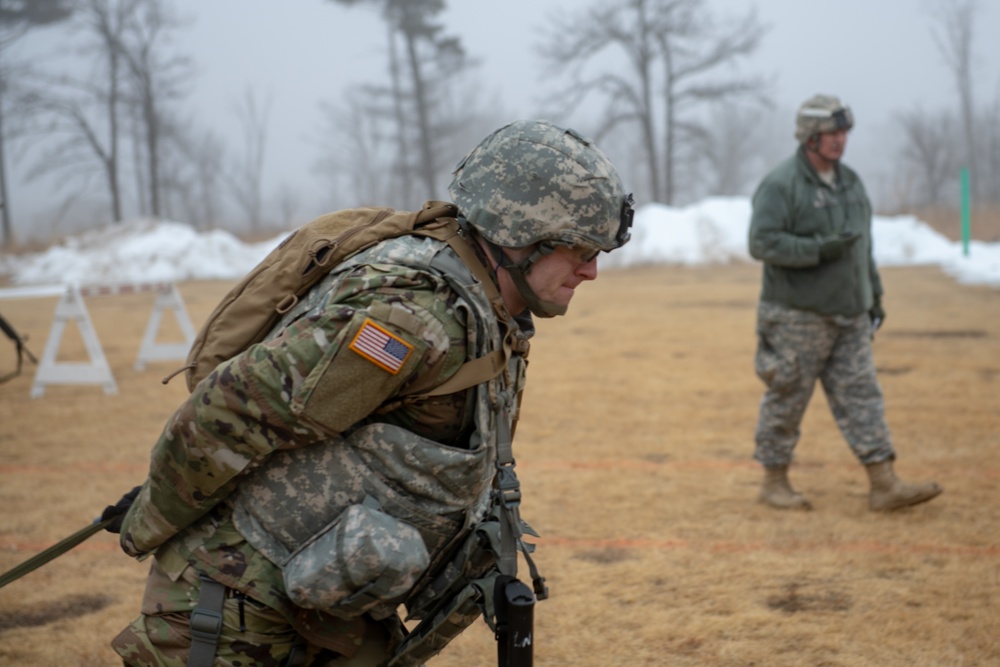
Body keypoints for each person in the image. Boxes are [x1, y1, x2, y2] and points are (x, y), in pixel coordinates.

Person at [103, 119, 634, 666]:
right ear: (519, 235)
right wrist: (151, 519)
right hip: (241, 600)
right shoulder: (415, 317)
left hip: (328, 602)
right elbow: (230, 410)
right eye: (579, 250)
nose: (591, 271)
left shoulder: (483, 304)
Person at [747, 94, 942, 512]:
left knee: (863, 396)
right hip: (796, 315)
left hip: (850, 312)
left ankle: (884, 484)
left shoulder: (852, 183)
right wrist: (818, 249)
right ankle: (774, 482)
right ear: (809, 137)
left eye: (843, 133)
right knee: (787, 398)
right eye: (831, 133)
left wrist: (873, 295)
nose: (840, 141)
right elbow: (761, 242)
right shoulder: (782, 185)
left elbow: (862, 247)